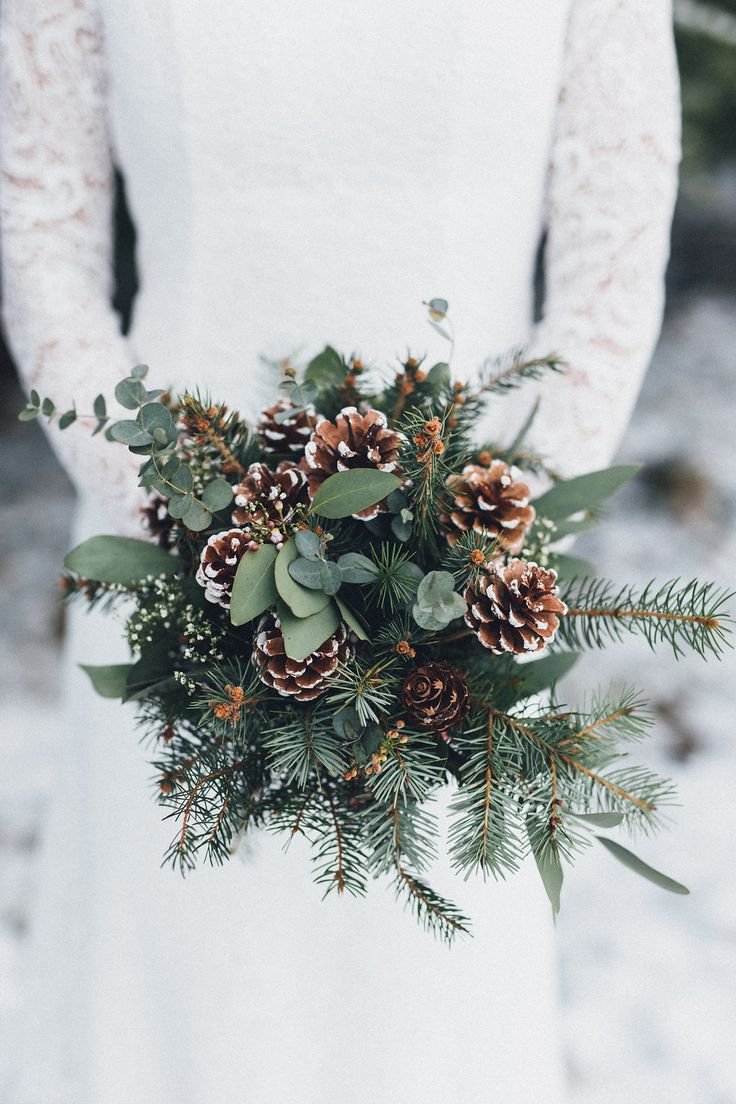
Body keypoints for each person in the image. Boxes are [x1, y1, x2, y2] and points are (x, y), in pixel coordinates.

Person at [0, 2, 680, 1101]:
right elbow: (41, 234)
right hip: (170, 574)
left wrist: (479, 546)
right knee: (170, 1012)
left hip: (453, 623)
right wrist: (181, 518)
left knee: (427, 1013)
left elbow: (613, 259)